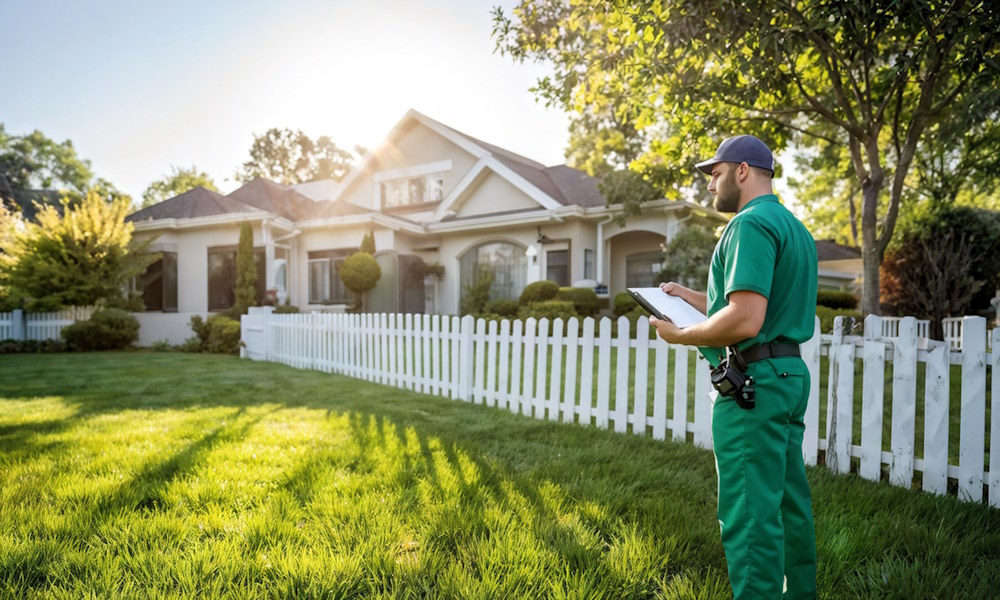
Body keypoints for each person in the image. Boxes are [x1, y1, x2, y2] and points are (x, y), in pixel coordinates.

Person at [649, 135, 818, 599]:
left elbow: (745, 318)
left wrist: (681, 333)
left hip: (753, 386)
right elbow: (756, 302)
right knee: (787, 505)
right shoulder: (793, 227)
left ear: (742, 170)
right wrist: (695, 300)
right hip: (786, 375)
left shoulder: (748, 225)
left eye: (716, 174)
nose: (710, 186)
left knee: (749, 516)